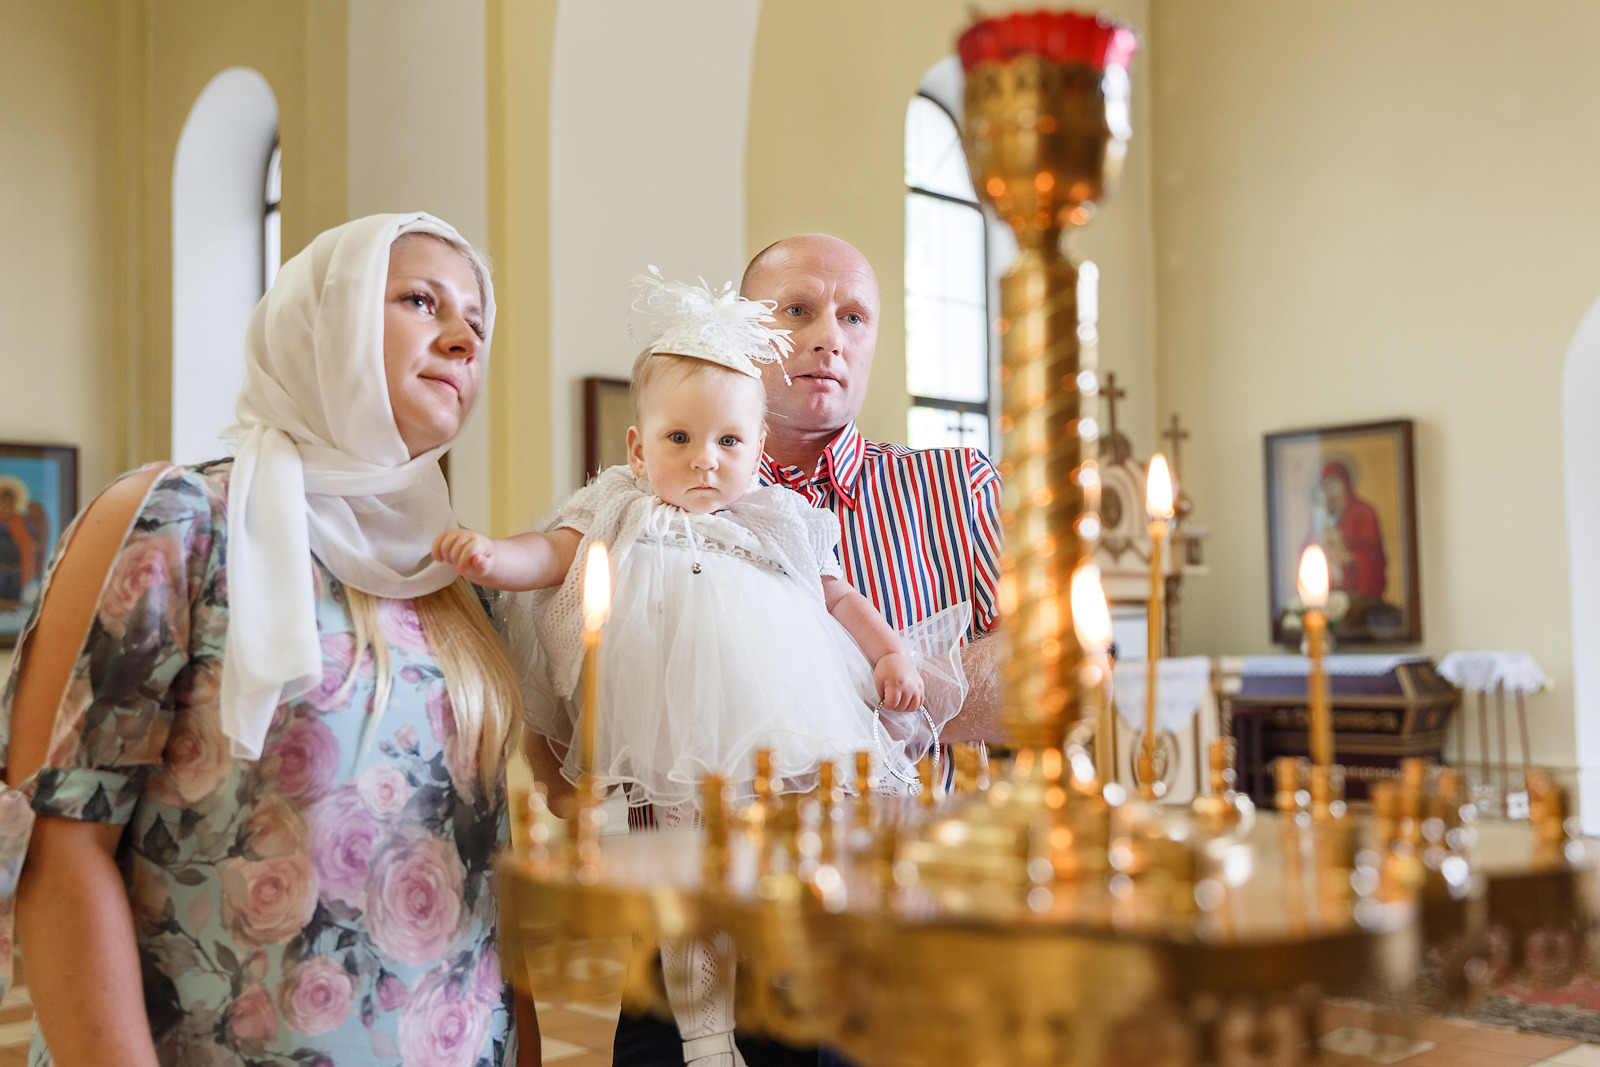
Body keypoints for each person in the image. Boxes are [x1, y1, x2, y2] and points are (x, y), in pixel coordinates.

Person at [0, 213, 542, 1066]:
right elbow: (56, 842)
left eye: (477, 322)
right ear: (324, 321)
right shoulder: (181, 521)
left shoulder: (460, 580)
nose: (462, 337)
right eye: (420, 300)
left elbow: (486, 890)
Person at [435, 271, 964, 1067]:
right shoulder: (619, 505)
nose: (706, 461)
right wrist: (491, 557)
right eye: (680, 439)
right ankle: (704, 1032)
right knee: (673, 882)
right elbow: (553, 555)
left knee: (766, 875)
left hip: (772, 732)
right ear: (637, 446)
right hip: (657, 733)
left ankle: (789, 996)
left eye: (728, 443)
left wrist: (889, 651)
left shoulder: (774, 520)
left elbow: (838, 595)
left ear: (756, 450)